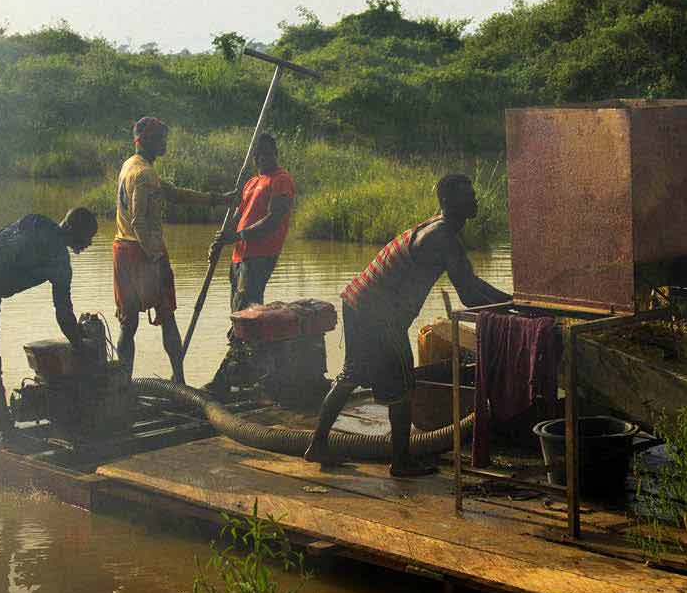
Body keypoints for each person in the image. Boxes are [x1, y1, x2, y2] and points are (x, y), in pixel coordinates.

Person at [305, 174, 510, 477]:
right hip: (379, 313)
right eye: (469, 196)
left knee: (352, 373)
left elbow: (472, 285)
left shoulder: (436, 228)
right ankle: (401, 462)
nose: (476, 200)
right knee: (402, 383)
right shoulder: (442, 238)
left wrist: (513, 301)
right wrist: (515, 306)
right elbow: (469, 293)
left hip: (358, 301)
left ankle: (318, 444)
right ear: (450, 203)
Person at [0, 208, 98, 441]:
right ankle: (5, 430)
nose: (89, 243)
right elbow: (64, 314)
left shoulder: (35, 220)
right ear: (72, 229)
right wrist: (80, 346)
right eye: (88, 236)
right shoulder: (59, 262)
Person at [113, 116, 234, 383]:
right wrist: (154, 256)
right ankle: (178, 379)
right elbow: (139, 220)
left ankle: (123, 384)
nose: (165, 143)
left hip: (123, 249)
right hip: (143, 252)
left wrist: (217, 200)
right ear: (147, 141)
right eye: (160, 138)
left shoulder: (131, 166)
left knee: (128, 322)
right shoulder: (144, 174)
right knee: (166, 316)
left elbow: (172, 193)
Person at [203, 133, 295, 394]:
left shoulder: (281, 181)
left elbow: (274, 220)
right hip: (239, 256)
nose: (264, 158)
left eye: (268, 153)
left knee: (244, 314)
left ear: (276, 153)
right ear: (254, 158)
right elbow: (237, 217)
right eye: (259, 155)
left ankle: (226, 379)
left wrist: (240, 235)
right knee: (241, 315)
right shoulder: (252, 182)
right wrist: (221, 240)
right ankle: (256, 373)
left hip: (259, 256)